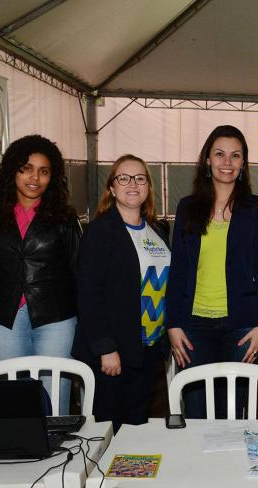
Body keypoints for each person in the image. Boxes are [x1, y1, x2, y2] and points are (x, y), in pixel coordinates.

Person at [166, 125, 258, 418]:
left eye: (235, 156)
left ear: (243, 164)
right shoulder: (188, 207)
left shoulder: (256, 209)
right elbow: (177, 271)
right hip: (193, 326)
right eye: (220, 154)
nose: (227, 162)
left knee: (231, 413)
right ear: (207, 161)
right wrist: (173, 324)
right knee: (197, 412)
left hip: (241, 327)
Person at [0, 135, 81, 413]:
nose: (34, 177)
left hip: (56, 320)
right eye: (26, 168)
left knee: (54, 397)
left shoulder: (64, 217)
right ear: (13, 170)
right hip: (5, 321)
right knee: (10, 400)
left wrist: (82, 323)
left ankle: (60, 451)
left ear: (53, 177)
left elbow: (77, 272)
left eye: (44, 171)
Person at [73, 155, 170, 430]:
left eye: (140, 178)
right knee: (109, 429)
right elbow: (89, 294)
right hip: (114, 351)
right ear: (112, 188)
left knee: (136, 426)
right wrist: (106, 348)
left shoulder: (158, 231)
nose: (133, 184)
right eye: (123, 178)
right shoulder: (100, 232)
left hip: (147, 348)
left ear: (148, 187)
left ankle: (127, 475)